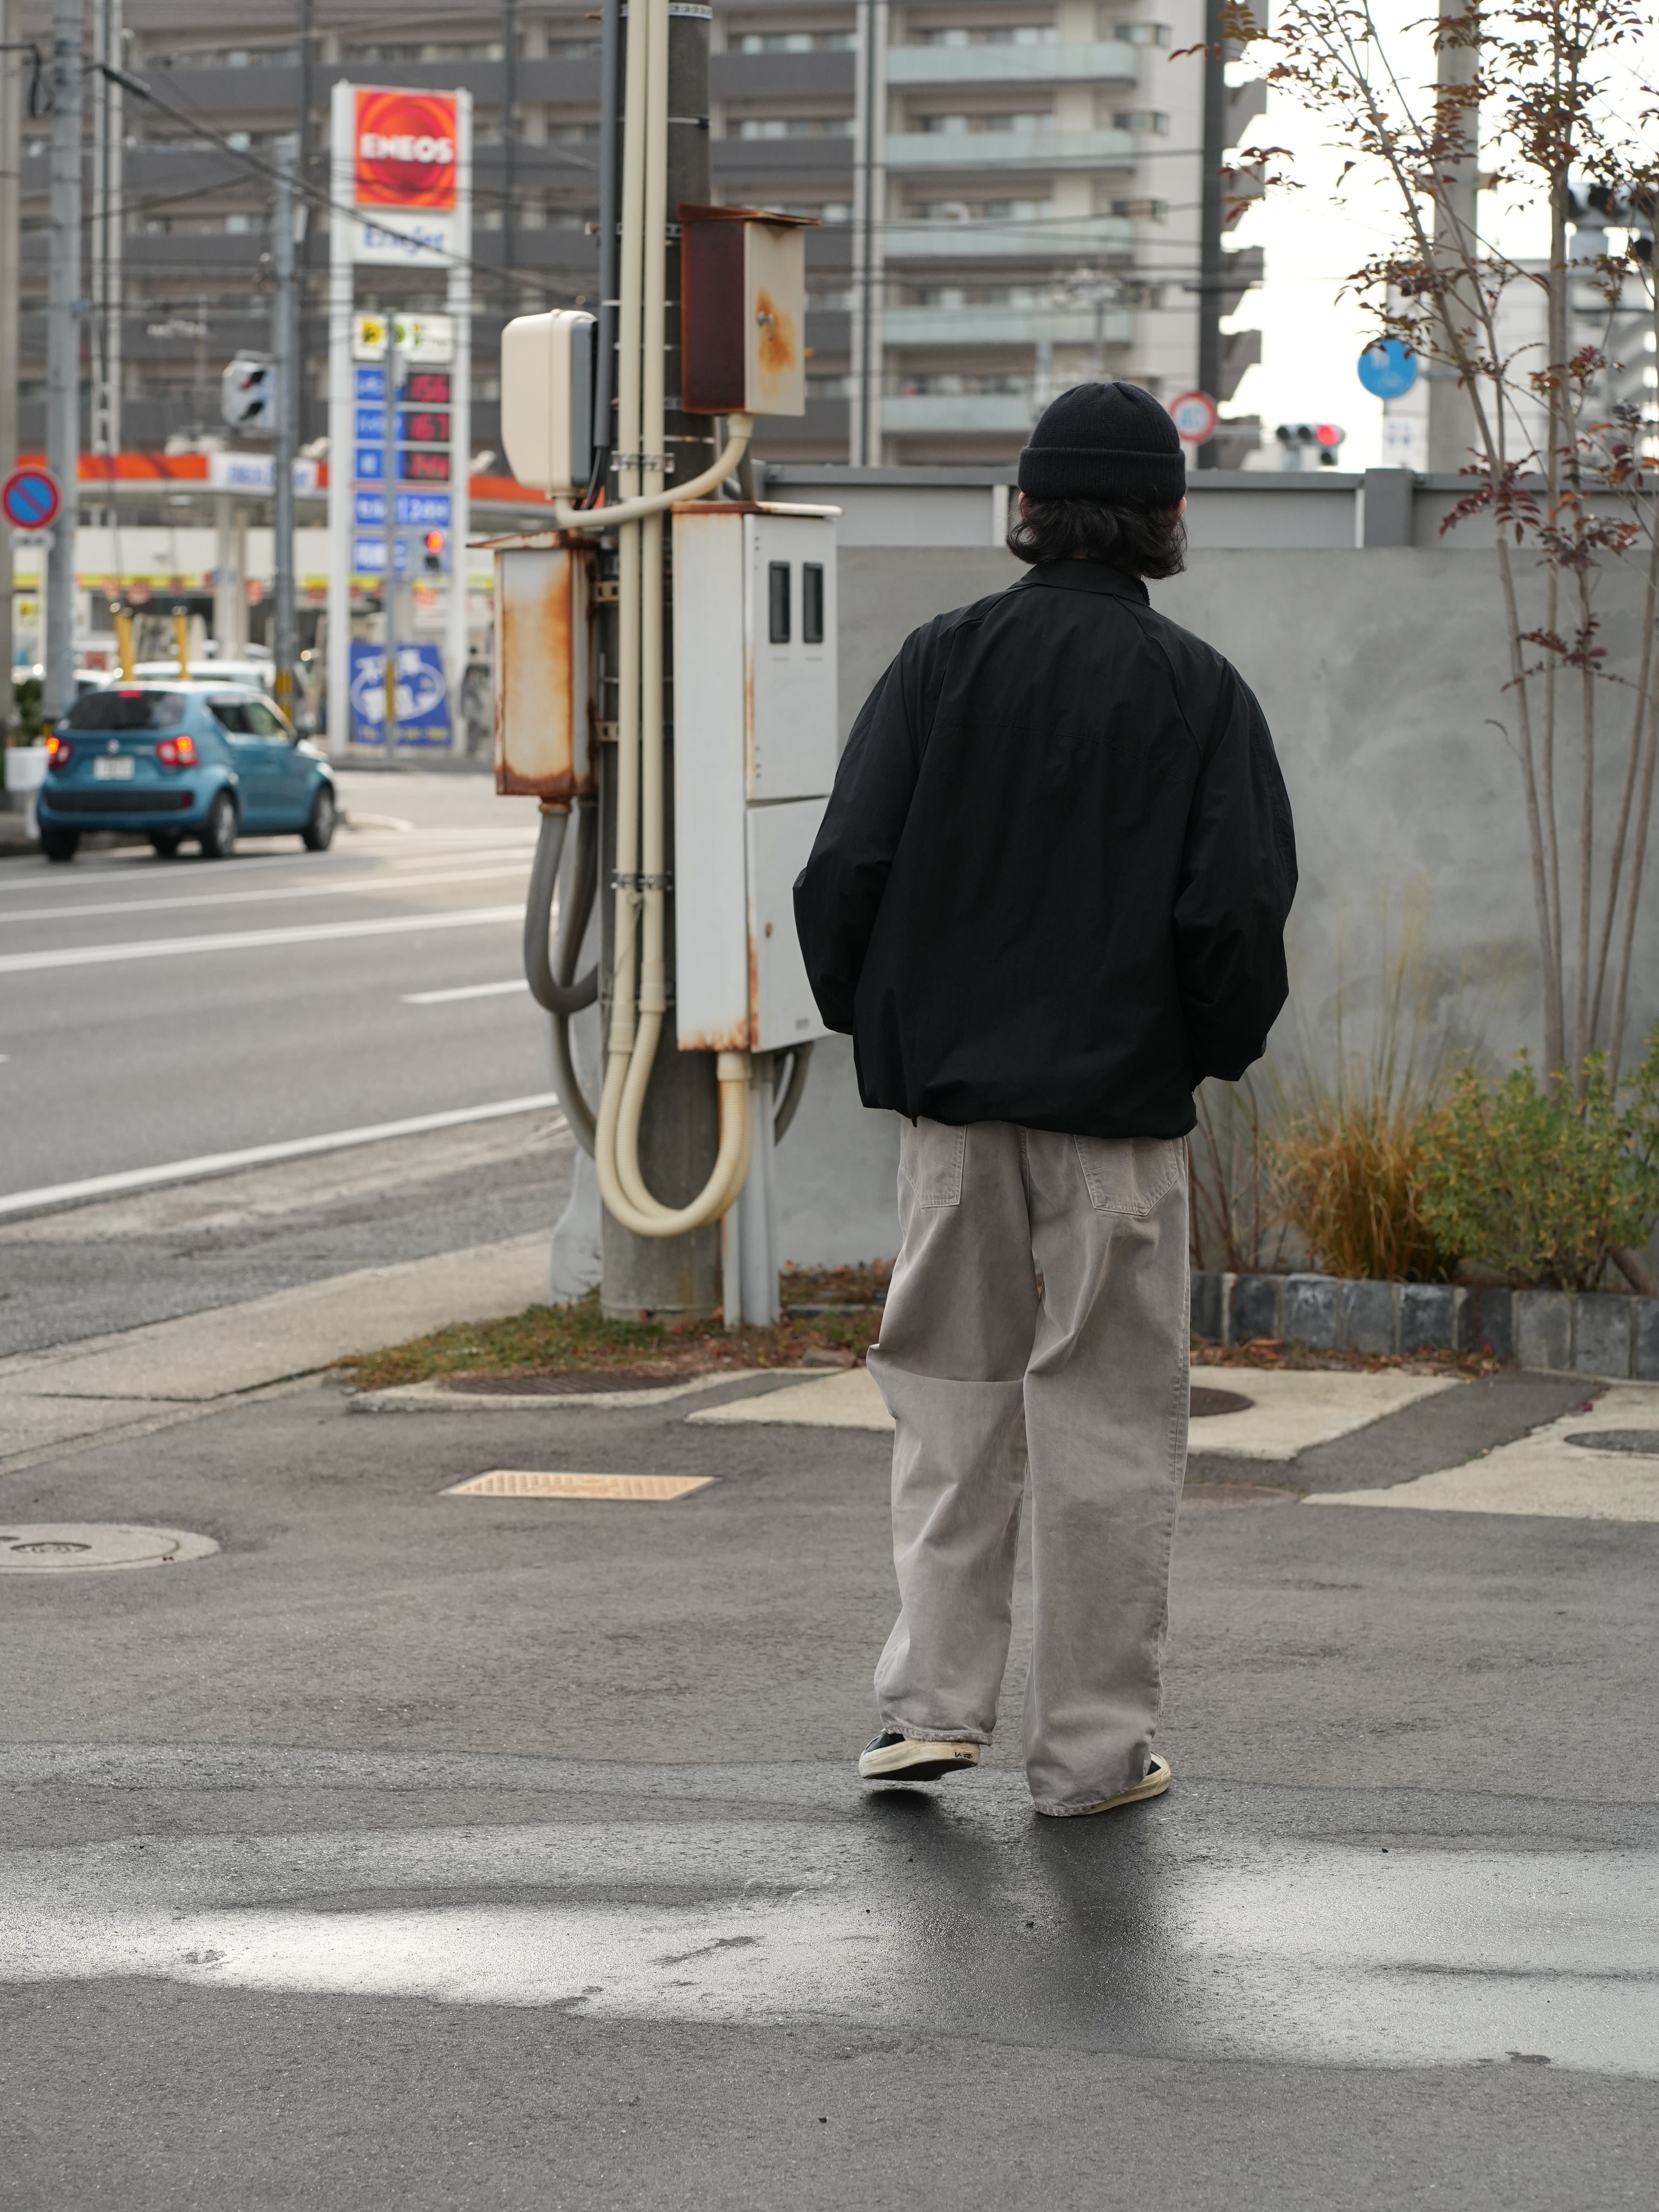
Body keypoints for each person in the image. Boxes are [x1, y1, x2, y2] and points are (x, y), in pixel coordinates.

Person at [793, 381, 1297, 1819]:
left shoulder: (941, 663)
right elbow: (1239, 910)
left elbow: (845, 875)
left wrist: (891, 1030)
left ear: (1024, 509)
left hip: (956, 1113)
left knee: (947, 1404)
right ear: (1169, 517)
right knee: (1113, 1427)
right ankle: (1088, 1755)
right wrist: (1201, 1052)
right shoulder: (1202, 694)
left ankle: (928, 1709)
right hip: (1122, 1124)